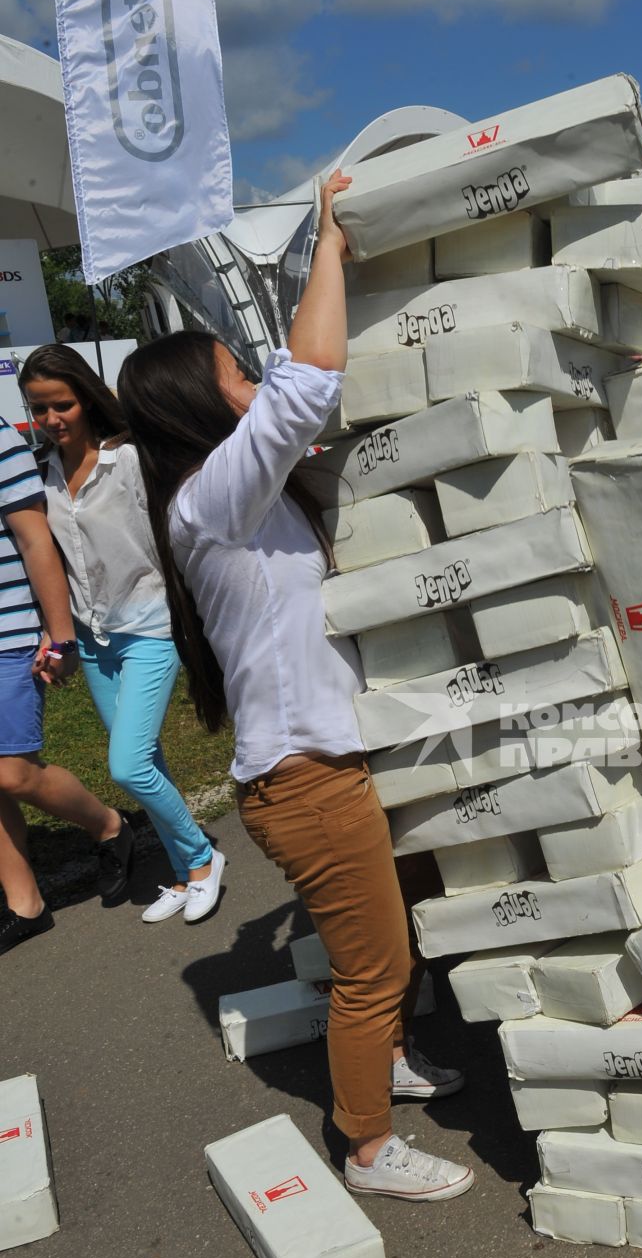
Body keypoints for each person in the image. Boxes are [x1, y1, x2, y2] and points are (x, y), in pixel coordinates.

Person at [118, 172, 472, 1206]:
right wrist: (327, 244)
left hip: (325, 762)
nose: (255, 382)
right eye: (237, 373)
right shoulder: (208, 498)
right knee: (371, 970)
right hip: (304, 780)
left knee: (388, 944)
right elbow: (310, 380)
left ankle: (389, 1064)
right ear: (196, 398)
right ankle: (365, 1147)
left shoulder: (236, 493)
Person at [18, 346, 224, 924]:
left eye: (62, 405)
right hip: (94, 639)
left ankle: (206, 858)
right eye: (39, 409)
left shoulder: (129, 460)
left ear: (86, 398)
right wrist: (60, 639)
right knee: (147, 758)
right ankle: (187, 871)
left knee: (128, 764)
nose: (52, 419)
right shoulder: (46, 473)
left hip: (151, 627)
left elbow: (170, 534)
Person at [0, 411, 135, 952]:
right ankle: (24, 902)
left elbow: (35, 542)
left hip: (6, 630)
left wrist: (60, 636)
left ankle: (109, 825)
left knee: (10, 772)